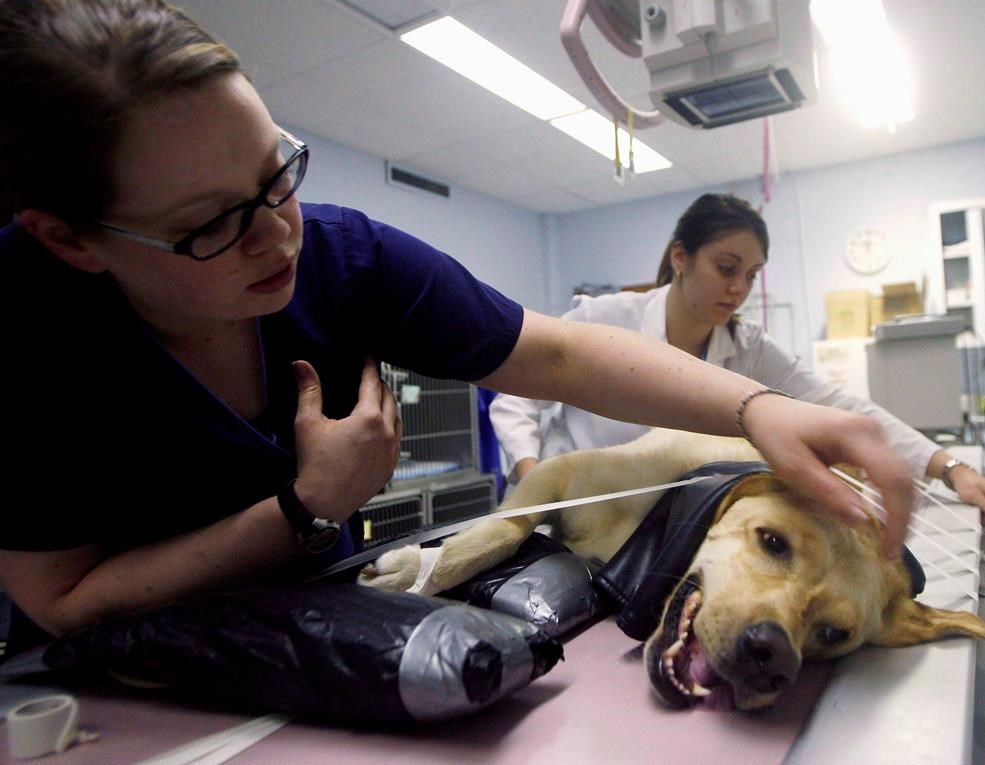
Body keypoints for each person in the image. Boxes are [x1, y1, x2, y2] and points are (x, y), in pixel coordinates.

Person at [0, 0, 917, 652]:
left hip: (314, 627)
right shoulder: (28, 332)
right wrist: (303, 505)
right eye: (211, 224)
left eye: (278, 169)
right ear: (71, 242)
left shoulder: (341, 258)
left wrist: (756, 408)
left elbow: (553, 351)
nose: (279, 231)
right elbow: (65, 602)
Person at [490, 193, 985, 526]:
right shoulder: (607, 317)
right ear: (680, 258)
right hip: (565, 513)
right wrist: (536, 481)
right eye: (726, 267)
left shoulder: (749, 348)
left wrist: (950, 468)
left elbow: (838, 406)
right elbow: (517, 396)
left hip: (654, 525)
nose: (739, 288)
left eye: (752, 274)